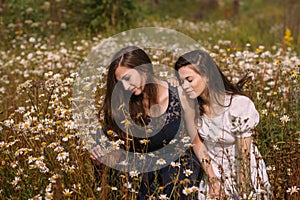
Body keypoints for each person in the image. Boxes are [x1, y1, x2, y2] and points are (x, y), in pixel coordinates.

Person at [90, 46, 202, 199]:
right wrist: (102, 157)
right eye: (120, 82)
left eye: (128, 78)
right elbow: (120, 149)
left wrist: (213, 177)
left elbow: (196, 140)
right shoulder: (126, 105)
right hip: (144, 177)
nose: (125, 87)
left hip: (180, 173)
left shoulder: (179, 93)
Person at [173, 49, 271, 199]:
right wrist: (213, 180)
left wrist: (242, 188)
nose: (185, 86)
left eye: (189, 80)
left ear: (206, 76)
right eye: (181, 82)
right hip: (213, 172)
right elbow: (197, 144)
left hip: (242, 171)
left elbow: (244, 155)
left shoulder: (238, 105)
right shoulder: (192, 107)